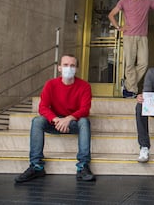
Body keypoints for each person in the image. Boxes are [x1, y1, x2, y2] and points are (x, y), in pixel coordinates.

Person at [15, 55, 95, 183]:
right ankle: (36, 166)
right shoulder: (51, 84)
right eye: (65, 65)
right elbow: (43, 107)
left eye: (72, 65)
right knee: (37, 121)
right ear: (59, 68)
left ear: (77, 69)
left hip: (73, 123)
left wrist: (68, 119)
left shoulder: (84, 86)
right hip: (55, 123)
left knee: (84, 121)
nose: (69, 68)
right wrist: (56, 119)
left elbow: (85, 109)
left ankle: (83, 166)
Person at [108, 0, 154, 98]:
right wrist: (119, 27)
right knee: (129, 64)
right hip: (129, 36)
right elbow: (111, 15)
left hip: (143, 37)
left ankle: (128, 85)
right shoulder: (124, 1)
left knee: (144, 64)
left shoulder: (147, 1)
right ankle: (131, 90)